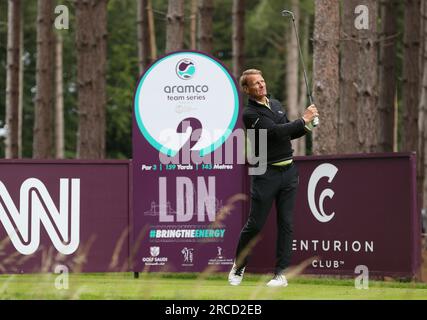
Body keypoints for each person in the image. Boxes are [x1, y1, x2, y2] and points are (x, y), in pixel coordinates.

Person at [228, 69, 319, 287]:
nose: (261, 85)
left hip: (288, 171)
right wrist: (302, 119)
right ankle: (239, 266)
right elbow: (274, 132)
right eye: (255, 84)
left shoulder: (276, 104)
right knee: (255, 224)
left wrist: (307, 125)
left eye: (262, 81)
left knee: (286, 223)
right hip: (265, 172)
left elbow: (288, 133)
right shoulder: (249, 114)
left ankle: (280, 274)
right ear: (247, 89)